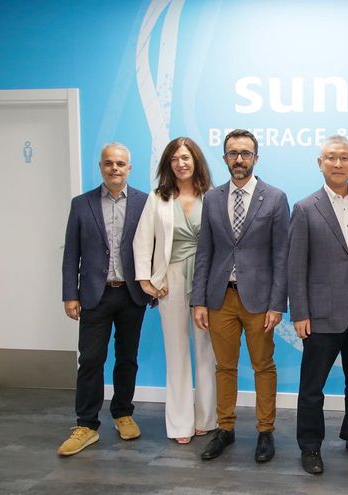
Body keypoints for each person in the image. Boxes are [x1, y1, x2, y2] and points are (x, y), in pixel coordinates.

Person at [191, 129, 290, 463]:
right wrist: (199, 300)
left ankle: (265, 432)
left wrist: (277, 304)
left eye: (245, 153)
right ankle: (226, 429)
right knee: (225, 367)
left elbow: (281, 256)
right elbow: (204, 251)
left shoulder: (275, 198)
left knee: (263, 366)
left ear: (256, 158)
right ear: (224, 159)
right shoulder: (213, 198)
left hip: (260, 302)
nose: (239, 159)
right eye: (232, 153)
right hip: (220, 299)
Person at [288, 136, 348, 474]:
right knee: (312, 387)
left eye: (344, 157)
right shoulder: (304, 208)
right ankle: (310, 446)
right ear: (320, 162)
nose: (338, 163)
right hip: (320, 313)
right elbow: (295, 265)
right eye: (331, 157)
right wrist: (299, 312)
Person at [58, 143, 152, 455]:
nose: (115, 168)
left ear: (129, 168)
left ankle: (123, 413)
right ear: (101, 167)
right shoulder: (81, 204)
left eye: (121, 164)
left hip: (131, 295)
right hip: (94, 296)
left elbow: (154, 248)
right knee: (91, 360)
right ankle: (86, 424)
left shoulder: (144, 202)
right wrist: (70, 294)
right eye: (109, 163)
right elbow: (71, 252)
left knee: (127, 358)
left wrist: (154, 285)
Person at [133, 137, 216, 444]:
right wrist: (146, 280)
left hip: (207, 278)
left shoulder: (213, 196)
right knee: (177, 352)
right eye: (174, 159)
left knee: (207, 350)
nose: (181, 163)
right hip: (171, 280)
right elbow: (142, 239)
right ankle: (181, 423)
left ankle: (207, 417)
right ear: (168, 164)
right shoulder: (158, 197)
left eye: (186, 157)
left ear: (196, 160)